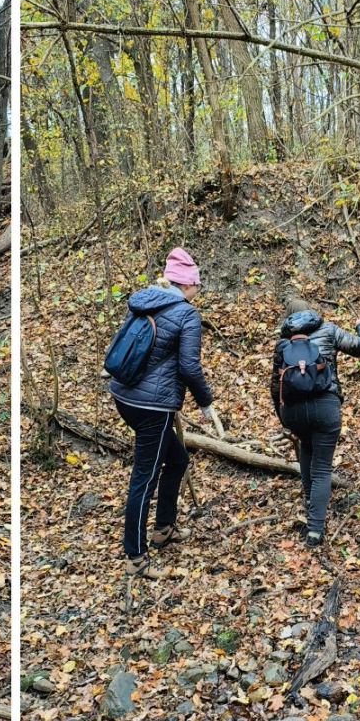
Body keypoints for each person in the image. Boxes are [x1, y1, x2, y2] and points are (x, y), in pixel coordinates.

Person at [108, 247, 216, 577]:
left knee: (178, 459)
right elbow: (189, 367)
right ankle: (135, 557)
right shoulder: (186, 314)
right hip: (152, 407)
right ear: (188, 283)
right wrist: (206, 402)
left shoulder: (145, 300)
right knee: (144, 476)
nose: (199, 288)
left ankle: (164, 528)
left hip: (123, 395)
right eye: (197, 281)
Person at [269, 309, 360, 548]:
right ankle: (315, 530)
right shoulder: (328, 330)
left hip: (293, 411)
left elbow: (276, 384)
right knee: (322, 469)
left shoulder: (283, 344)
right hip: (325, 406)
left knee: (307, 447)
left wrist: (283, 416)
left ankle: (310, 504)